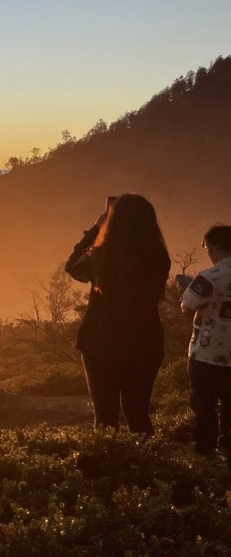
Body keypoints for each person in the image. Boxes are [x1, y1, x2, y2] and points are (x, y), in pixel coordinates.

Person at [64, 193, 170, 437]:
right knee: (138, 412)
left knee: (105, 416)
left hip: (102, 340)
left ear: (113, 220)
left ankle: (108, 470)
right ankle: (148, 468)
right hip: (145, 341)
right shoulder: (159, 257)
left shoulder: (102, 255)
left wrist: (96, 226)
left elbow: (72, 267)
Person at [176, 225, 231, 459]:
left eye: (205, 247)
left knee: (204, 406)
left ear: (214, 247)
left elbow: (186, 305)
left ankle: (204, 455)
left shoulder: (208, 277)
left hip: (206, 355)